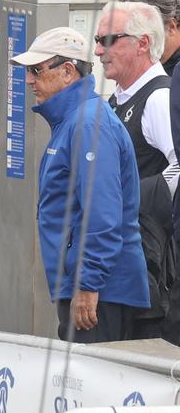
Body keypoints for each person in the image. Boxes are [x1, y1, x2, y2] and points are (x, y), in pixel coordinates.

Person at [10, 26, 149, 343]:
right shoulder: (75, 120)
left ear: (67, 71)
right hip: (92, 287)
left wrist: (87, 284)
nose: (29, 80)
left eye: (36, 69)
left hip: (101, 293)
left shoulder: (87, 122)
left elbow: (101, 214)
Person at [96, 1, 175, 338]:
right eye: (98, 39)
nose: (99, 50)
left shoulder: (159, 98)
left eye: (110, 39)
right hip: (120, 266)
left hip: (150, 273)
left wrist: (134, 199)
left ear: (143, 43)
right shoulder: (115, 99)